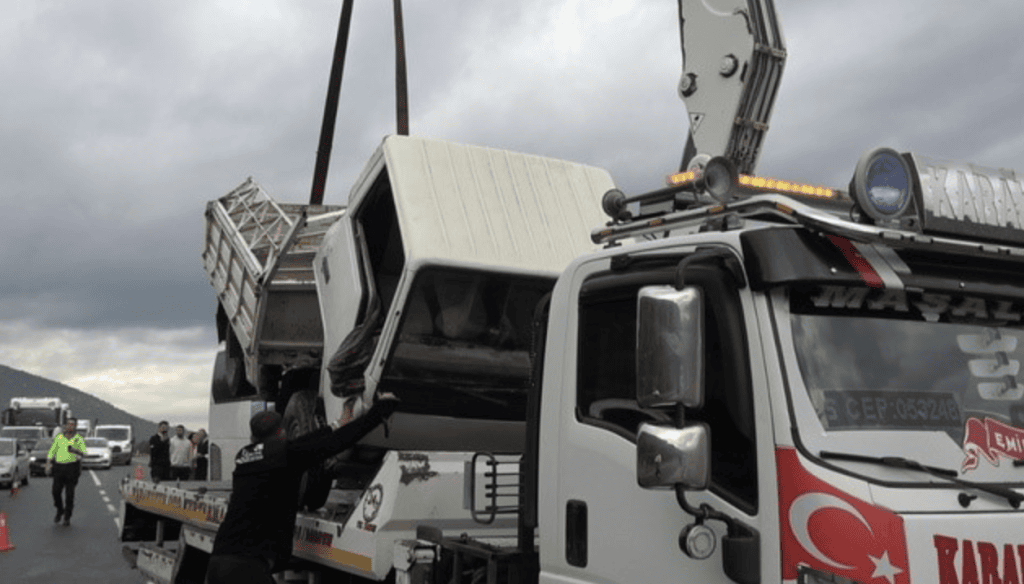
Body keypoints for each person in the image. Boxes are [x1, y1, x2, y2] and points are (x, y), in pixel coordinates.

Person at [205, 394, 399, 584]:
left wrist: (337, 424)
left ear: (252, 436)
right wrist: (378, 413)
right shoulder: (287, 457)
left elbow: (302, 443)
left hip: (218, 562)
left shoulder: (244, 456)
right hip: (246, 568)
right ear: (281, 434)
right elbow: (336, 443)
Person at [45, 417, 88, 526]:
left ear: (75, 426)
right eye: (68, 424)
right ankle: (60, 509)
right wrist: (48, 464)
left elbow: (84, 453)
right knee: (55, 491)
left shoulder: (78, 439)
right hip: (59, 467)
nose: (70, 426)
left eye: (72, 424)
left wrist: (75, 450)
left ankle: (67, 516)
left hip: (72, 468)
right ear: (65, 426)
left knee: (69, 494)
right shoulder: (59, 438)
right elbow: (51, 452)